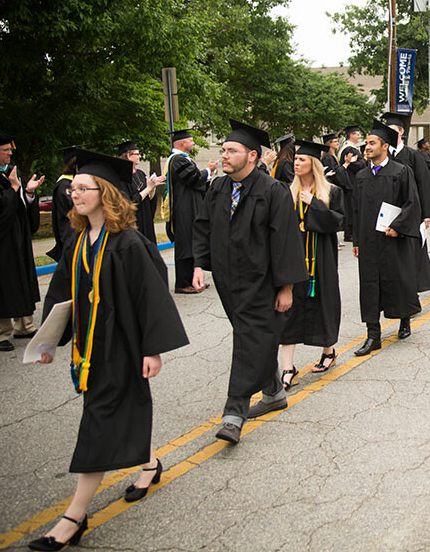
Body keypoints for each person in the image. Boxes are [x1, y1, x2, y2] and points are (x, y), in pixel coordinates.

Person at [29, 149, 188, 551]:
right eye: (74, 189)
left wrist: (153, 349)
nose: (74, 195)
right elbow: (62, 296)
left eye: (84, 188)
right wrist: (49, 341)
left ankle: (73, 517)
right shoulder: (80, 241)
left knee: (98, 425)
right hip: (89, 349)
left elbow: (152, 295)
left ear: (105, 193)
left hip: (123, 347)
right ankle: (149, 464)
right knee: (121, 409)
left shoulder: (129, 243)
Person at [192, 120, 305, 445]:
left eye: (231, 150)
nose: (224, 155)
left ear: (252, 156)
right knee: (253, 340)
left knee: (247, 342)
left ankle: (234, 412)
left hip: (263, 283)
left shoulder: (272, 192)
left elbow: (285, 241)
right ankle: (273, 392)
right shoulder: (218, 188)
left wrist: (286, 288)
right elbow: (202, 227)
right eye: (223, 150)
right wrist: (200, 266)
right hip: (229, 283)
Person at [351, 120, 422, 355]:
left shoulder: (400, 172)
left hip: (393, 238)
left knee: (397, 280)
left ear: (384, 146)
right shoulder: (361, 176)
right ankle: (373, 335)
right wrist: (357, 241)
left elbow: (411, 203)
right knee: (369, 284)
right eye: (366, 144)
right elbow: (357, 210)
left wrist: (398, 227)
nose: (367, 147)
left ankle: (404, 320)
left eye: (372, 143)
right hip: (369, 241)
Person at [280, 141, 344, 387]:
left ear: (313, 164)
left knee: (323, 302)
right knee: (289, 309)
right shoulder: (287, 191)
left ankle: (328, 351)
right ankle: (288, 367)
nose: (296, 163)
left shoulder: (331, 192)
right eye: (295, 160)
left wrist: (314, 204)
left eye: (302, 160)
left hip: (322, 258)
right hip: (293, 259)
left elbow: (338, 222)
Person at [0, 131, 43, 352]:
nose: (10, 153)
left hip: (17, 238)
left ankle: (24, 325)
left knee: (21, 277)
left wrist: (28, 193)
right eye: (5, 150)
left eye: (10, 149)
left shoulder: (11, 173)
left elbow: (19, 205)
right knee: (1, 284)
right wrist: (13, 189)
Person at [383, 112, 430, 295]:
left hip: (411, 212)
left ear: (402, 132)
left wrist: (427, 214)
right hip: (388, 213)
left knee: (411, 252)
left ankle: (412, 292)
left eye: (393, 131)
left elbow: (424, 183)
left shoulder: (413, 156)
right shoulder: (383, 157)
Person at [166, 128, 216, 294]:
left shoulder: (183, 159)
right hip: (183, 209)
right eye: (191, 140)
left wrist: (208, 173)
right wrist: (208, 170)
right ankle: (182, 282)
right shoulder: (178, 160)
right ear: (182, 143)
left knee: (191, 242)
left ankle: (192, 280)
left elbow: (195, 181)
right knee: (185, 244)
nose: (193, 142)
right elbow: (193, 178)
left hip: (189, 206)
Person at [117, 140, 164, 244]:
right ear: (128, 156)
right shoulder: (120, 177)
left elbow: (149, 199)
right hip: (133, 223)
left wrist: (153, 188)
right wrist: (147, 189)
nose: (139, 156)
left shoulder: (140, 174)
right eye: (137, 154)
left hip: (146, 220)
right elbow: (129, 202)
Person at [47, 146, 79, 262]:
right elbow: (72, 209)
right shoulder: (64, 185)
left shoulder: (72, 182)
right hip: (70, 236)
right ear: (74, 165)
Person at [340, 125, 366, 243]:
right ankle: (349, 234)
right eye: (357, 134)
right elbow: (355, 166)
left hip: (349, 181)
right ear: (351, 135)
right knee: (351, 209)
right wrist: (364, 160)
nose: (359, 136)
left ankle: (349, 233)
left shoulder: (348, 147)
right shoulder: (350, 149)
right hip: (351, 182)